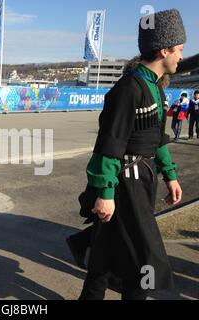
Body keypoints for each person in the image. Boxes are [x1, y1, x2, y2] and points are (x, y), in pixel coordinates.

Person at [71, 9, 184, 300]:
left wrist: (170, 176)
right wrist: (105, 193)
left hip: (143, 182)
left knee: (107, 254)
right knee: (143, 258)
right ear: (163, 50)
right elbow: (109, 145)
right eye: (179, 50)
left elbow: (156, 139)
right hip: (124, 184)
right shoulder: (128, 89)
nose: (181, 57)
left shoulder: (155, 88)